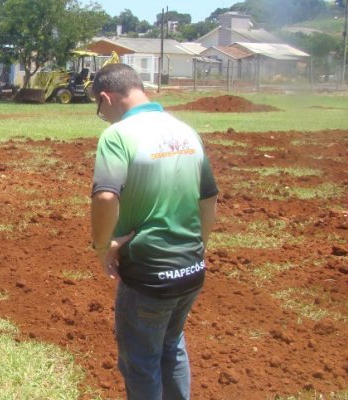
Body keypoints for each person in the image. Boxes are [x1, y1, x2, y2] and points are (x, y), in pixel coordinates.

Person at [89, 63, 218, 400]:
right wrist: (197, 248)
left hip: (148, 274)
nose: (103, 115)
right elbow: (208, 198)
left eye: (99, 107)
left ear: (107, 98)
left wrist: (103, 246)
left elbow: (105, 197)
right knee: (171, 346)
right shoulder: (186, 131)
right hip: (191, 268)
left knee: (141, 362)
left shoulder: (117, 136)